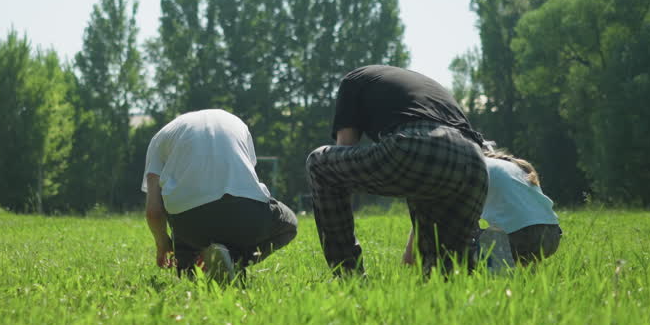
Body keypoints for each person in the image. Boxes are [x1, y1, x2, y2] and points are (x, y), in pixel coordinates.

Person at [306, 65, 487, 277]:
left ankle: (348, 276)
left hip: (420, 145)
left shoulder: (352, 80)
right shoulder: (422, 88)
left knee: (321, 165)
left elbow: (344, 148)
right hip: (475, 161)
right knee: (445, 273)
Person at [143, 109, 298, 283]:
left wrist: (163, 243)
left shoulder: (160, 138)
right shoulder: (237, 123)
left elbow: (153, 211)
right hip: (247, 216)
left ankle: (192, 263)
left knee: (174, 200)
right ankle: (233, 260)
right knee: (289, 224)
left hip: (191, 227)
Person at [402, 150, 562, 268]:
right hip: (552, 237)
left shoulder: (471, 168)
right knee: (508, 238)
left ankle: (493, 285)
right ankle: (523, 281)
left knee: (449, 244)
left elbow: (456, 224)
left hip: (520, 237)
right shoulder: (511, 167)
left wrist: (408, 263)